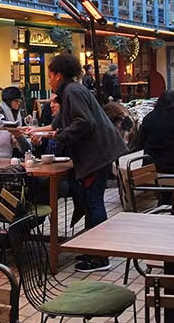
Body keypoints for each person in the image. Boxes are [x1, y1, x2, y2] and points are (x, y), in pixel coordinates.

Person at [47, 52, 126, 273]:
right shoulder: (73, 90)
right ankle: (93, 249)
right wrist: (38, 131)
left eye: (50, 75)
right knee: (92, 201)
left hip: (96, 155)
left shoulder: (72, 91)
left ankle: (100, 257)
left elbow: (84, 122)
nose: (49, 80)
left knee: (94, 203)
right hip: (99, 154)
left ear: (59, 75)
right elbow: (59, 123)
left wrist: (59, 136)